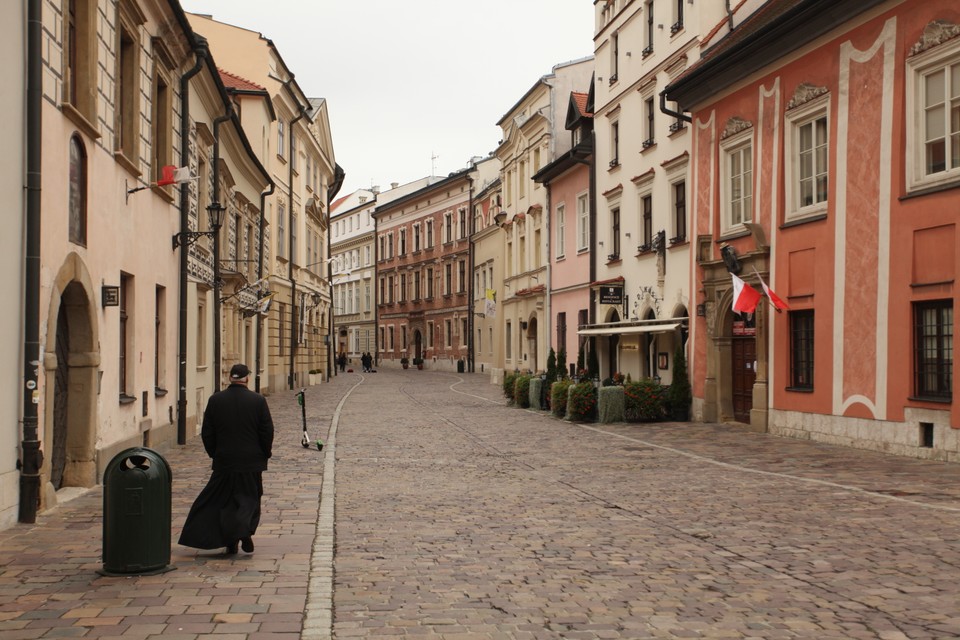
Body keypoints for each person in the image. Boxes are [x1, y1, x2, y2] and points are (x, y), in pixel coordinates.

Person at [179, 364, 274, 555]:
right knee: (249, 500)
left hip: (225, 460)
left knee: (223, 500)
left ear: (230, 378)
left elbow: (207, 432)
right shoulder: (257, 401)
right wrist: (265, 453)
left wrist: (215, 453)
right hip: (251, 461)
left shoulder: (216, 400)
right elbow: (267, 431)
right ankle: (244, 532)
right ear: (247, 378)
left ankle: (231, 540)